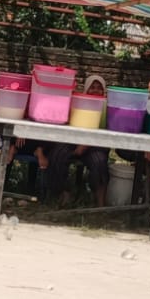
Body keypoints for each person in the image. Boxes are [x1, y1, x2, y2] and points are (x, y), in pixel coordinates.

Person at [46, 75, 110, 207]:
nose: (95, 90)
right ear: (86, 89)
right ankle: (63, 194)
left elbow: (106, 132)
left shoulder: (107, 107)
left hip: (96, 145)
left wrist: (86, 144)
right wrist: (78, 143)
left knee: (100, 162)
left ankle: (100, 204)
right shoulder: (78, 101)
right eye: (92, 87)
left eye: (99, 88)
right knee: (57, 154)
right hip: (74, 140)